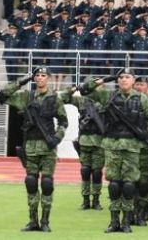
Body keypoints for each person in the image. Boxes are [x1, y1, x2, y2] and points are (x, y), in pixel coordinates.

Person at [77, 68, 148, 233]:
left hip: (132, 146)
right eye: (120, 77)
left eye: (127, 77)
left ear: (133, 80)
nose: (123, 80)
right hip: (112, 145)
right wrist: (106, 79)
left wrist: (147, 132)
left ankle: (127, 221)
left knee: (128, 184)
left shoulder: (141, 98)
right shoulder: (108, 96)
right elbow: (85, 89)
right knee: (114, 184)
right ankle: (114, 222)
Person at [0, 66, 68, 233]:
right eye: (37, 75)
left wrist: (57, 138)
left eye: (43, 75)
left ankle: (45, 221)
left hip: (48, 148)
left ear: (48, 78)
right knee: (31, 182)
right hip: (30, 147)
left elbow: (64, 122)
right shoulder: (25, 97)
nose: (40, 78)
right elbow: (1, 96)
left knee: (47, 183)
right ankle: (32, 221)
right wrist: (22, 81)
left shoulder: (54, 98)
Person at [59, 82, 105, 211]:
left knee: (97, 172)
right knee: (85, 171)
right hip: (84, 141)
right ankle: (85, 200)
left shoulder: (105, 101)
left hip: (99, 141)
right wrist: (74, 88)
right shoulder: (82, 101)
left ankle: (96, 200)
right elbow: (62, 98)